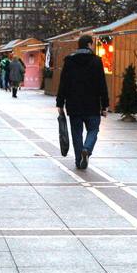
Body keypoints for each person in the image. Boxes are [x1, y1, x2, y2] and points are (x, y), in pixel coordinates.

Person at [56, 33, 109, 170]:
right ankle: (87, 148)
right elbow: (102, 84)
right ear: (89, 45)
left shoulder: (69, 61)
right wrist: (105, 105)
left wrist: (60, 103)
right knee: (93, 130)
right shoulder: (96, 61)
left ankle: (79, 159)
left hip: (74, 105)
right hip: (92, 104)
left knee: (76, 132)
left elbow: (63, 84)